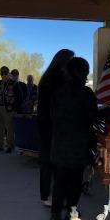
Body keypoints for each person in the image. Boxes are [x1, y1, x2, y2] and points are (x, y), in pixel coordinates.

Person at [49, 56, 98, 220]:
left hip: (60, 144)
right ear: (79, 73)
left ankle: (55, 214)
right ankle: (71, 210)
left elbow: (52, 117)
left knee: (60, 181)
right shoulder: (86, 94)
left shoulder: (58, 92)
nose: (86, 76)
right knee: (75, 181)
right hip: (78, 145)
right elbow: (93, 117)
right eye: (85, 71)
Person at [37, 49, 74, 207]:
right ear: (63, 63)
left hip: (46, 125)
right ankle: (49, 196)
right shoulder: (58, 81)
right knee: (53, 162)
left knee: (48, 162)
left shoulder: (46, 79)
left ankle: (47, 195)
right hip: (53, 126)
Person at [0, 66, 23, 153]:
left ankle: (10, 146)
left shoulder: (14, 83)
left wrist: (15, 109)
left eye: (5, 73)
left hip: (9, 109)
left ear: (8, 73)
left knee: (9, 128)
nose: (3, 75)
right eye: (1, 73)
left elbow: (19, 97)